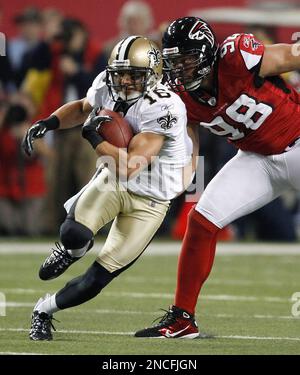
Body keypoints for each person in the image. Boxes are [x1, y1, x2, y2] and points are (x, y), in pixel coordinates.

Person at [134, 16, 300, 339]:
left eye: (187, 60)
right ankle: (183, 320)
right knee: (201, 221)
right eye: (173, 62)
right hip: (255, 159)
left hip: (297, 142)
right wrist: (179, 177)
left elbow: (290, 55)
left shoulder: (237, 56)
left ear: (208, 54)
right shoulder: (177, 95)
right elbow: (188, 144)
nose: (180, 70)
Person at [22, 35, 196, 340]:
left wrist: (96, 139)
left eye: (134, 75)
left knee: (98, 278)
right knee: (73, 233)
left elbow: (133, 163)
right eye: (120, 74)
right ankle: (72, 250)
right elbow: (81, 107)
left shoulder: (165, 106)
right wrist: (48, 123)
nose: (125, 81)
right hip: (115, 178)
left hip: (151, 199)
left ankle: (43, 310)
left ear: (153, 75)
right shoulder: (107, 82)